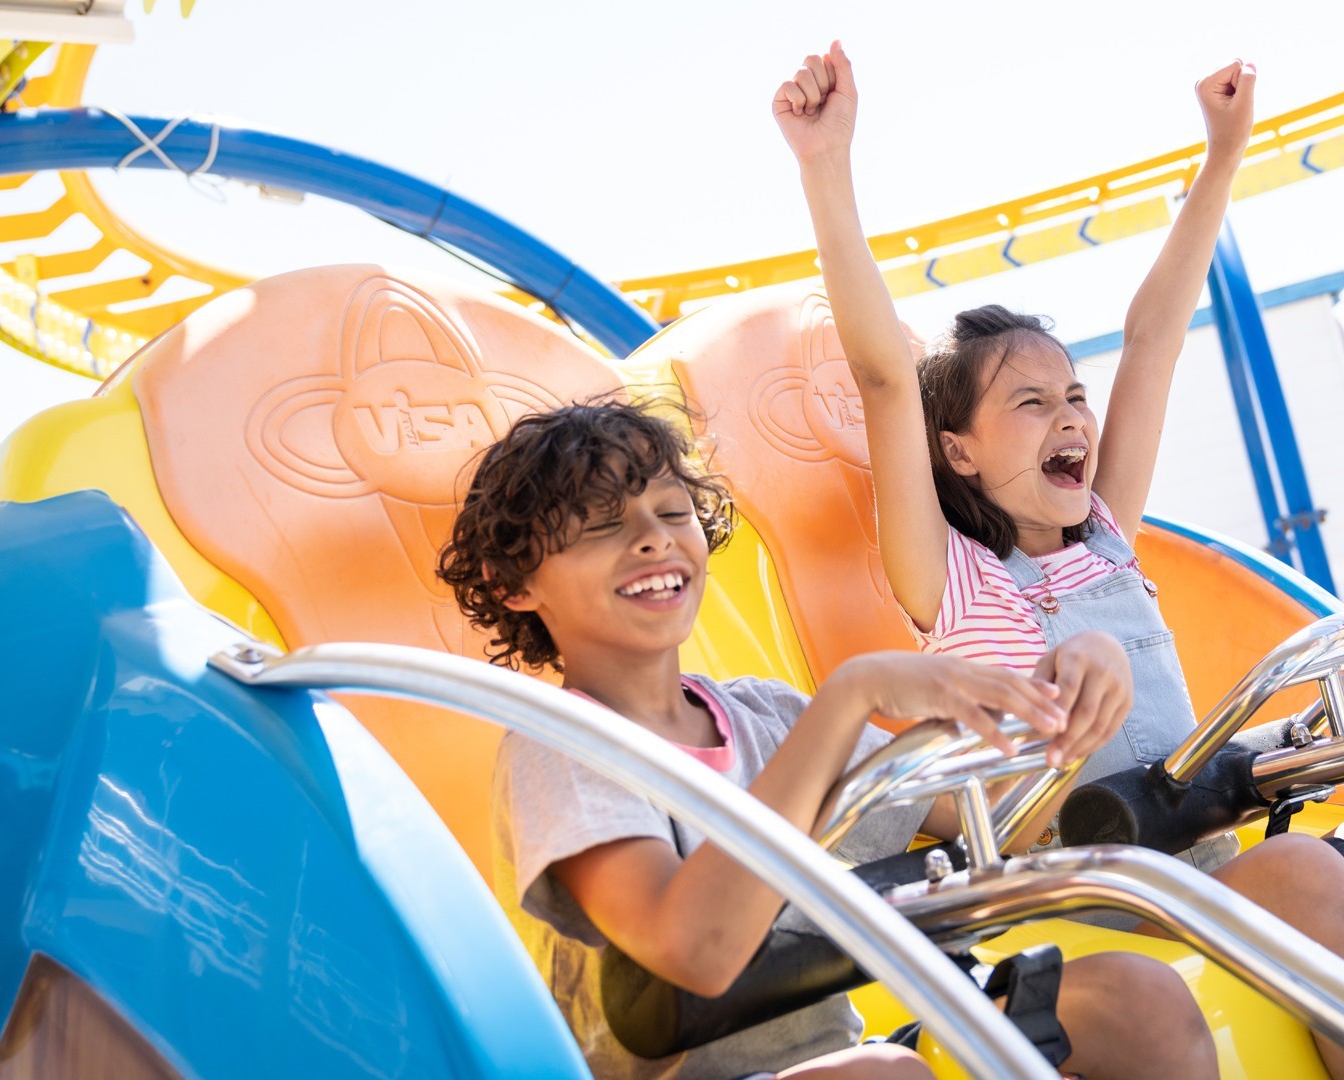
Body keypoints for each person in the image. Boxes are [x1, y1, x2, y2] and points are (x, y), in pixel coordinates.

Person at [776, 43, 1344, 1080]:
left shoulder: (1106, 530)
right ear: (957, 450)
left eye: (1072, 397)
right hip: (1110, 898)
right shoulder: (954, 581)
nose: (1069, 417)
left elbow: (1152, 339)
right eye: (1029, 402)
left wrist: (1222, 157)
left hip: (1209, 853)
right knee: (1307, 873)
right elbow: (885, 376)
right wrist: (826, 165)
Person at [437, 400, 1217, 1080]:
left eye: (671, 512)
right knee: (882, 1075)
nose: (651, 540)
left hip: (839, 1056)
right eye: (603, 525)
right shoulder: (561, 749)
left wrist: (1074, 673)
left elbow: (999, 818)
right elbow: (698, 951)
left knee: (1135, 999)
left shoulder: (766, 716)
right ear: (515, 583)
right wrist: (852, 695)